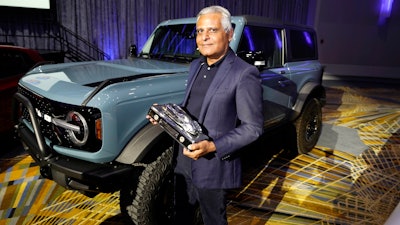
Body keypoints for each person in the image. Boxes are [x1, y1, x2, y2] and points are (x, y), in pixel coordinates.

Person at [147, 5, 264, 225]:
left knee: (213, 220)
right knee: (181, 216)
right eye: (200, 31)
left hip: (213, 164)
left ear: (229, 34)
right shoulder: (195, 66)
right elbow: (190, 107)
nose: (204, 37)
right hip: (183, 161)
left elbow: (253, 128)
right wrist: (165, 116)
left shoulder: (244, 73)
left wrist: (212, 146)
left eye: (212, 30)